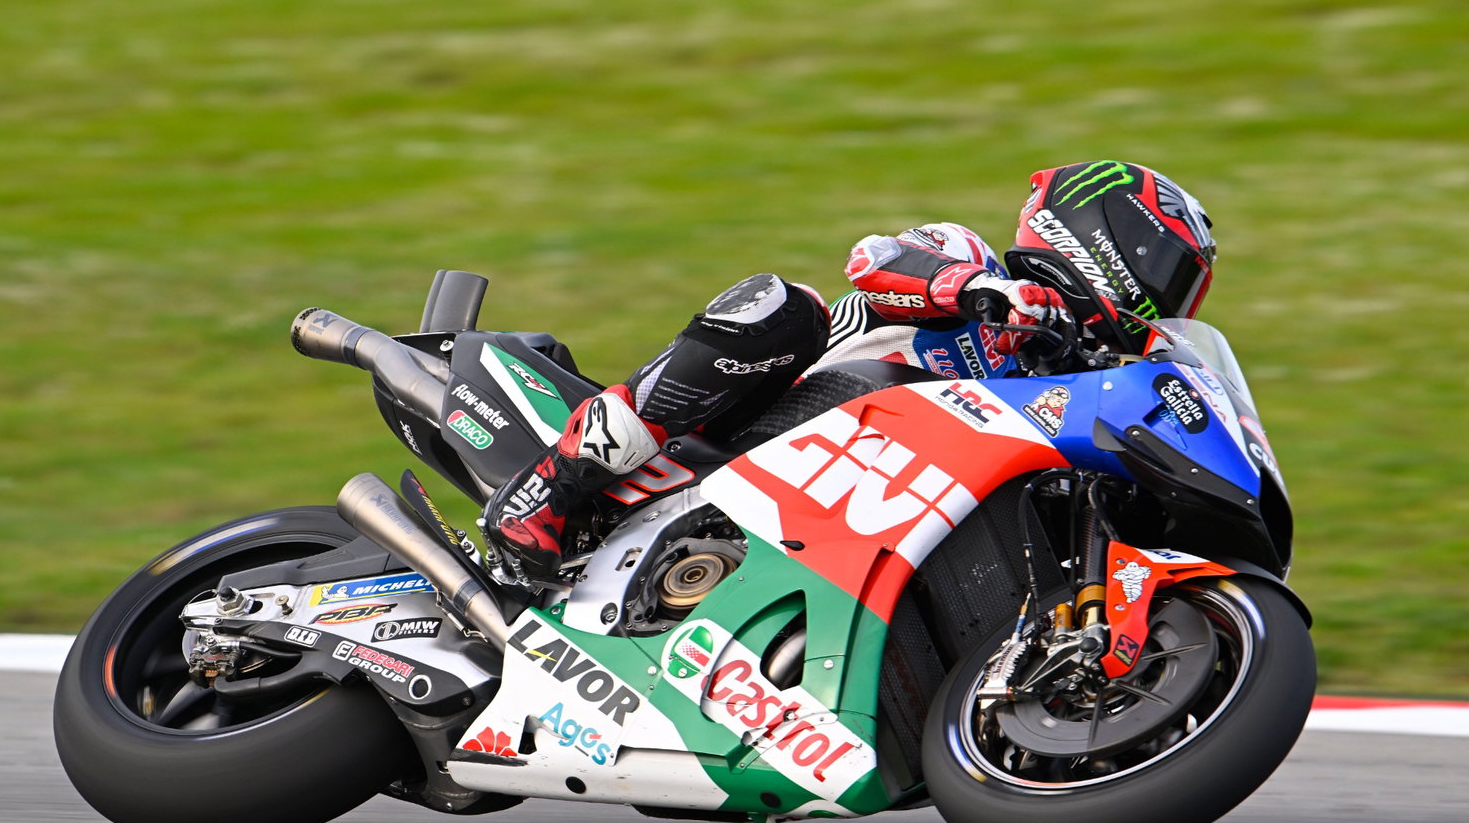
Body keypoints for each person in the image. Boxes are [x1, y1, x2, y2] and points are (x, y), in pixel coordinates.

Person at [483, 160, 1217, 579]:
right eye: (1163, 270)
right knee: (784, 306)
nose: (1161, 296)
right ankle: (548, 492)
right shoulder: (972, 259)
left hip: (855, 523)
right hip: (762, 433)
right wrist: (975, 291)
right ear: (1102, 235)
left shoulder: (1069, 384)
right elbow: (873, 261)